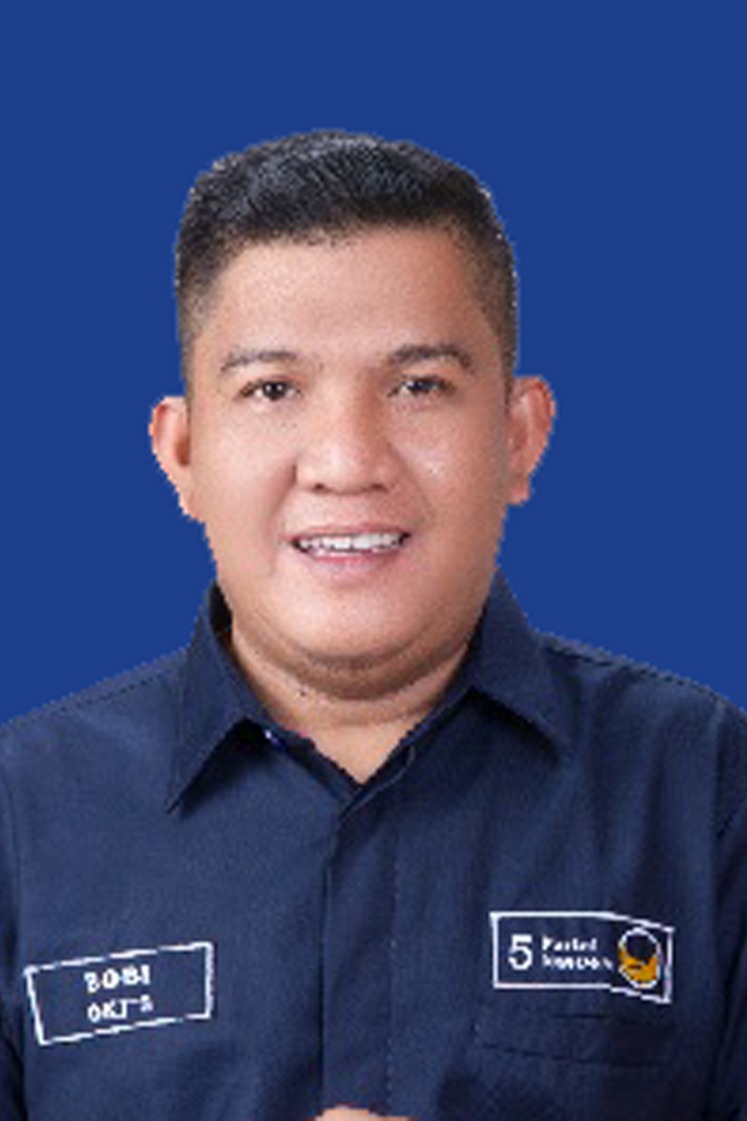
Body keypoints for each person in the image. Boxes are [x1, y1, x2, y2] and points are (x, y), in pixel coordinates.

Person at [0, 130, 745, 1121]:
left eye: (417, 385)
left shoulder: (703, 787)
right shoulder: (22, 813)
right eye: (272, 389)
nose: (347, 461)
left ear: (518, 435)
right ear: (183, 453)